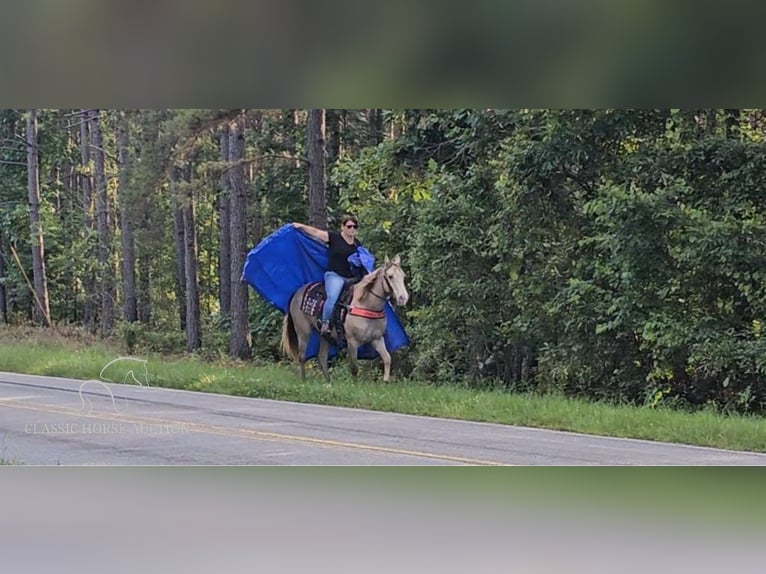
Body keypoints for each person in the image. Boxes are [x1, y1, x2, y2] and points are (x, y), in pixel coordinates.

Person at [293, 215, 361, 335]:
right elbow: (316, 232)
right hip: (335, 275)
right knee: (333, 297)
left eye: (354, 227)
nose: (352, 229)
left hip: (351, 277)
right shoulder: (334, 237)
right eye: (349, 226)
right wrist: (301, 226)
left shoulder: (357, 244)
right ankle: (325, 323)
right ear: (343, 227)